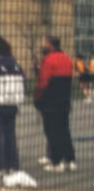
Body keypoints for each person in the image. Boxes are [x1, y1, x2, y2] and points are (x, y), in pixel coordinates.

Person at [0, 36, 30, 186]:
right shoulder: (16, 65)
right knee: (10, 135)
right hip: (12, 104)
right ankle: (13, 165)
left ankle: (0, 165)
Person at [34, 35, 76, 172]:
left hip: (50, 102)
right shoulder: (67, 59)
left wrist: (37, 98)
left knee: (52, 131)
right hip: (64, 101)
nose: (42, 45)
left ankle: (56, 161)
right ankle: (70, 160)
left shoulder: (48, 60)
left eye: (44, 43)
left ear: (50, 45)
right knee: (64, 130)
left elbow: (43, 82)